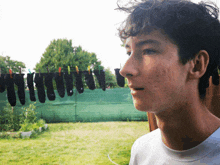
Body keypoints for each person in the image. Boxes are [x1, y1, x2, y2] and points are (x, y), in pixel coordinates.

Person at [117, 0, 220, 164]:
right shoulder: (141, 151)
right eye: (129, 52)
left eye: (148, 50)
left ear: (197, 64)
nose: (125, 70)